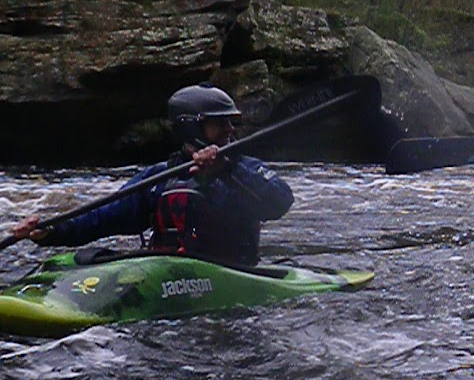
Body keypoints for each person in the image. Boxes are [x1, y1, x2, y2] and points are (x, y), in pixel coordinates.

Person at [8, 85, 293, 267]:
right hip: (166, 277)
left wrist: (226, 169)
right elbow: (103, 216)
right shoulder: (160, 178)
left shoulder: (244, 168)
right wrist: (51, 231)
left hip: (232, 273)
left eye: (231, 123)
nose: (230, 131)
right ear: (191, 128)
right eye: (220, 124)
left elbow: (280, 201)